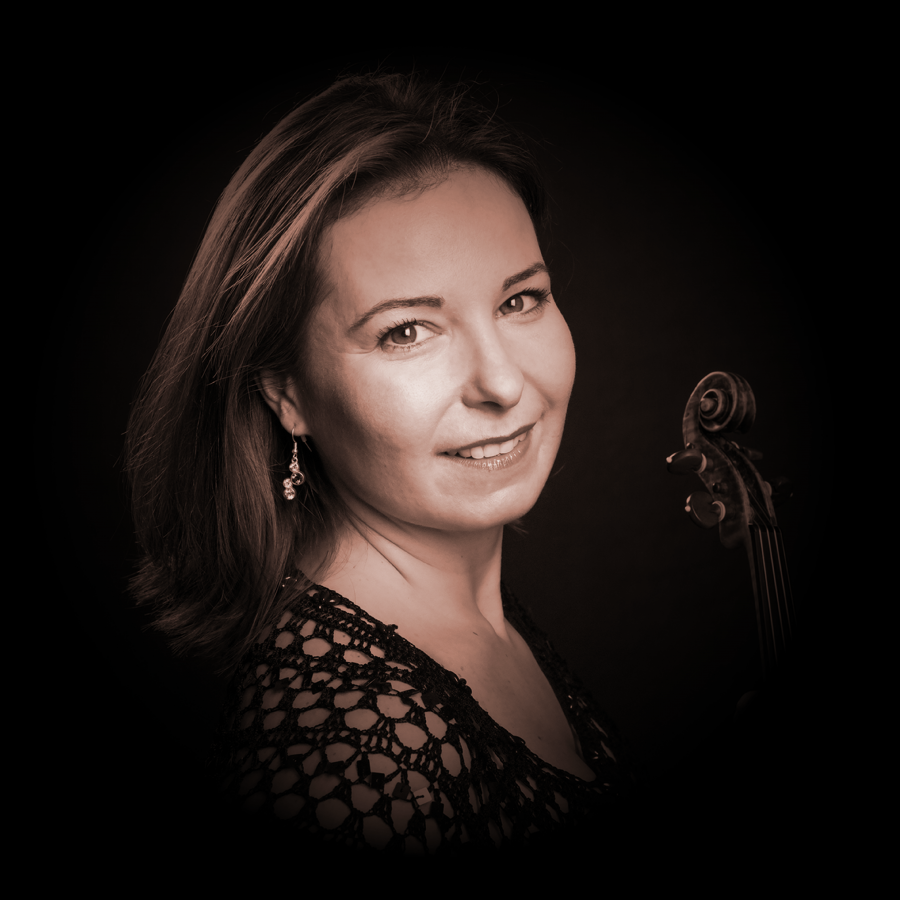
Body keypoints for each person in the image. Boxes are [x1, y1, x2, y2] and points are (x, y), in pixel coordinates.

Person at [125, 70, 635, 857]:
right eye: (406, 332)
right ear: (286, 392)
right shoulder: (346, 744)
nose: (502, 384)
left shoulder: (469, 626)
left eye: (519, 300)